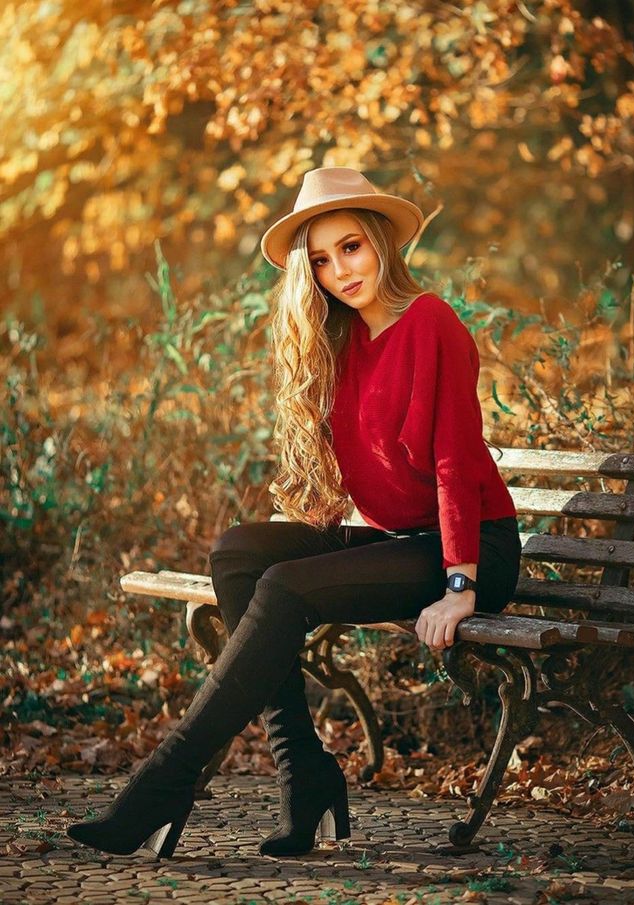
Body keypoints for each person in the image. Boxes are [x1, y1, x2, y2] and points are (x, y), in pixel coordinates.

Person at [66, 166, 522, 860]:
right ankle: (302, 770)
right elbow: (358, 468)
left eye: (351, 247)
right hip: (395, 536)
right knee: (241, 552)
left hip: (469, 545)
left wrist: (460, 586)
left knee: (283, 587)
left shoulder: (429, 320)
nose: (340, 270)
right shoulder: (338, 340)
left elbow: (457, 460)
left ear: (379, 244)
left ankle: (165, 780)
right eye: (320, 259)